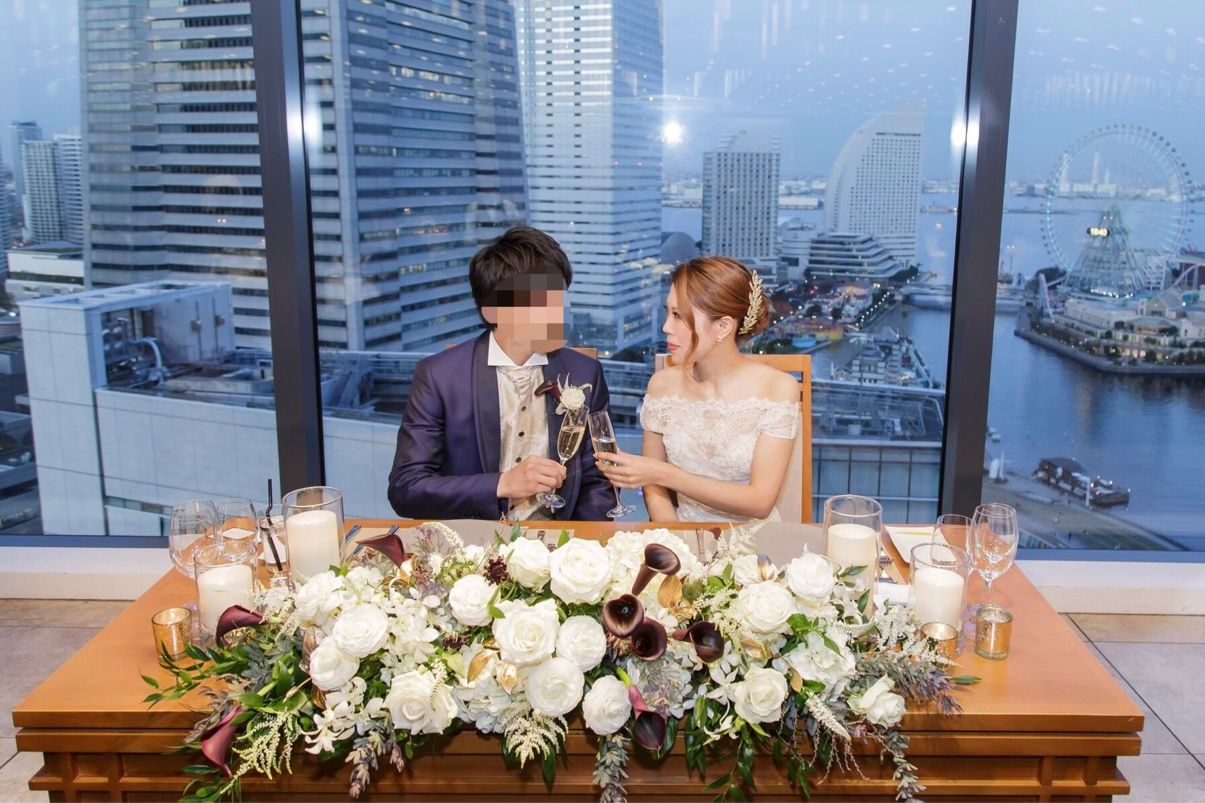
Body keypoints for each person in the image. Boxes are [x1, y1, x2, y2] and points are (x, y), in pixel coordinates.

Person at [388, 226, 616, 521]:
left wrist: (580, 542)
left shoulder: (585, 372)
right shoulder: (439, 376)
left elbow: (598, 482)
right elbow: (406, 488)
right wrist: (501, 484)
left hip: (559, 540)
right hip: (474, 539)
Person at [595, 256, 800, 522]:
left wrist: (664, 473)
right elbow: (654, 489)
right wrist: (674, 539)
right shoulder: (662, 386)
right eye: (668, 312)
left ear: (723, 326)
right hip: (683, 535)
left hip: (754, 540)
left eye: (678, 316)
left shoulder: (777, 389)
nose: (666, 327)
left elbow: (760, 502)